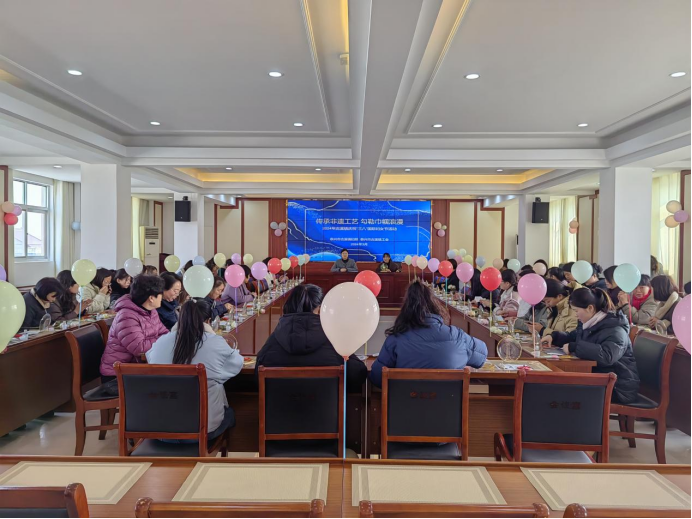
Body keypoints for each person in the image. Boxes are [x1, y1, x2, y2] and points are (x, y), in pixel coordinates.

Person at [147, 299, 243, 440]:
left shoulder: (161, 342)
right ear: (209, 321)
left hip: (161, 429)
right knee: (231, 413)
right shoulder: (214, 343)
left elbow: (150, 360)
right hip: (202, 430)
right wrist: (213, 335)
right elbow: (237, 365)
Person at [370, 281, 488, 388]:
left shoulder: (396, 339)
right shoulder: (458, 336)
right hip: (448, 404)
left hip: (405, 404)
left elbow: (377, 378)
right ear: (435, 305)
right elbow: (482, 356)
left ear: (405, 310)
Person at [256, 284, 367, 392]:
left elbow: (257, 378)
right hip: (325, 405)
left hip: (279, 405)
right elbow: (357, 374)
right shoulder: (334, 340)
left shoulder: (272, 342)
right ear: (319, 310)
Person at [542, 288, 639, 404]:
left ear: (590, 308)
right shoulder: (591, 324)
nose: (576, 315)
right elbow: (574, 336)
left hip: (618, 387)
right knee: (554, 386)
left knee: (560, 390)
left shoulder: (616, 330)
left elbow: (607, 356)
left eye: (576, 311)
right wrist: (554, 337)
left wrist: (574, 347)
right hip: (599, 378)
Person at [100, 275, 169, 381]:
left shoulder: (151, 311)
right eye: (160, 294)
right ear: (151, 298)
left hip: (136, 368)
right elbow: (139, 348)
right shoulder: (126, 315)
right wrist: (163, 340)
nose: (162, 297)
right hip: (117, 374)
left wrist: (165, 339)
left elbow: (165, 333)